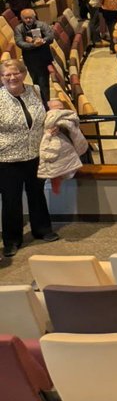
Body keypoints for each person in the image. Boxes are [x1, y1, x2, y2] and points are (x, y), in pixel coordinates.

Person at [0, 59, 55, 258]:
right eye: (6, 75)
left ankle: (42, 230)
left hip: (34, 153)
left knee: (37, 193)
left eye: (15, 73)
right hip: (7, 159)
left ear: (23, 74)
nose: (11, 78)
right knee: (11, 200)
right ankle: (12, 240)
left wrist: (51, 125)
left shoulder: (36, 90)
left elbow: (45, 115)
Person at [39, 97, 88, 195]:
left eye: (61, 109)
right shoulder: (44, 124)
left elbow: (79, 141)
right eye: (55, 110)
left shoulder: (69, 121)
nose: (59, 112)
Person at [15, 9, 54, 104]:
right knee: (36, 81)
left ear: (34, 16)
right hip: (30, 59)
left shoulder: (42, 25)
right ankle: (41, 102)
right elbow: (19, 43)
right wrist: (34, 44)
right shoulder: (19, 28)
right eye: (26, 18)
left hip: (44, 57)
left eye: (30, 18)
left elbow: (50, 37)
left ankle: (46, 103)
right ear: (21, 18)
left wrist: (41, 41)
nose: (28, 20)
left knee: (43, 82)